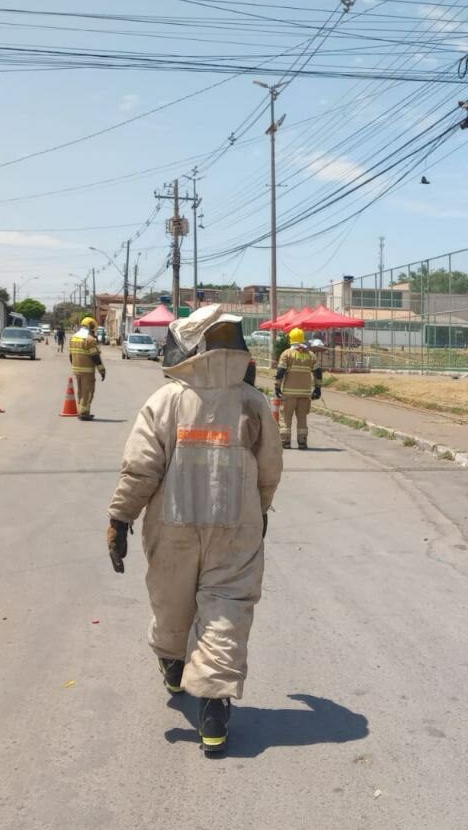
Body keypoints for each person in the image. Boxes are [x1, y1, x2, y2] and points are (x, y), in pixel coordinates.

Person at [105, 304, 283, 756]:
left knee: (172, 604)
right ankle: (214, 711)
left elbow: (141, 469)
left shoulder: (165, 400)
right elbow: (269, 470)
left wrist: (120, 518)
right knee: (227, 611)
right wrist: (259, 511)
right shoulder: (252, 401)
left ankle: (172, 664)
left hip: (172, 525)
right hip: (236, 527)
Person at [274, 328, 322, 450]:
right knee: (302, 418)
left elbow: (280, 372)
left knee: (286, 418)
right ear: (303, 339)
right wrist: (317, 388)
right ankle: (302, 442)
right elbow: (318, 372)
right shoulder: (311, 355)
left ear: (291, 339)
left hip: (289, 394)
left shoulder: (287, 354)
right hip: (305, 394)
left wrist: (277, 387)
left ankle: (285, 441)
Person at [69, 317, 106, 421]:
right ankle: (84, 413)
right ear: (91, 326)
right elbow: (95, 357)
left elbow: (71, 355)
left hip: (76, 369)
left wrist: (74, 367)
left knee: (80, 391)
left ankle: (80, 410)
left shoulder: (73, 338)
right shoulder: (89, 340)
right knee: (88, 391)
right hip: (87, 371)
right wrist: (102, 370)